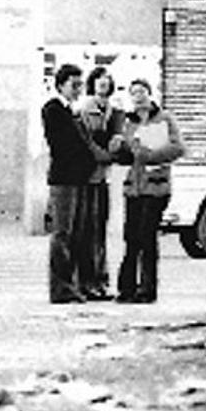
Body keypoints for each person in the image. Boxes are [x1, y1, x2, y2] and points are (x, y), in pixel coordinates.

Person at [111, 76, 184, 303]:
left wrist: (151, 155)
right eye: (134, 93)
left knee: (147, 236)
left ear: (150, 94)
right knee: (131, 237)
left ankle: (147, 289)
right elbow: (125, 158)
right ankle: (126, 289)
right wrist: (119, 149)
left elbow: (178, 147)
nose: (138, 97)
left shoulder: (164, 119)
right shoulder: (128, 123)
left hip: (156, 187)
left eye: (142, 91)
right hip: (134, 187)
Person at [41, 63, 96, 304]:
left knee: (75, 233)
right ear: (61, 85)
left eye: (80, 85)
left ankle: (71, 285)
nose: (78, 90)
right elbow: (65, 145)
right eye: (74, 85)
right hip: (64, 178)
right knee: (62, 233)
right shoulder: (53, 110)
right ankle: (61, 287)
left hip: (77, 178)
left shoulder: (72, 110)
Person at [79, 65, 124, 299]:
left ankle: (100, 280)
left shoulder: (113, 110)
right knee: (89, 231)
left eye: (107, 81)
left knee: (100, 232)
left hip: (103, 178)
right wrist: (108, 154)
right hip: (89, 177)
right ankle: (89, 281)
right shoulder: (87, 109)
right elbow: (88, 143)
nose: (104, 85)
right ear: (93, 84)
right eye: (100, 81)